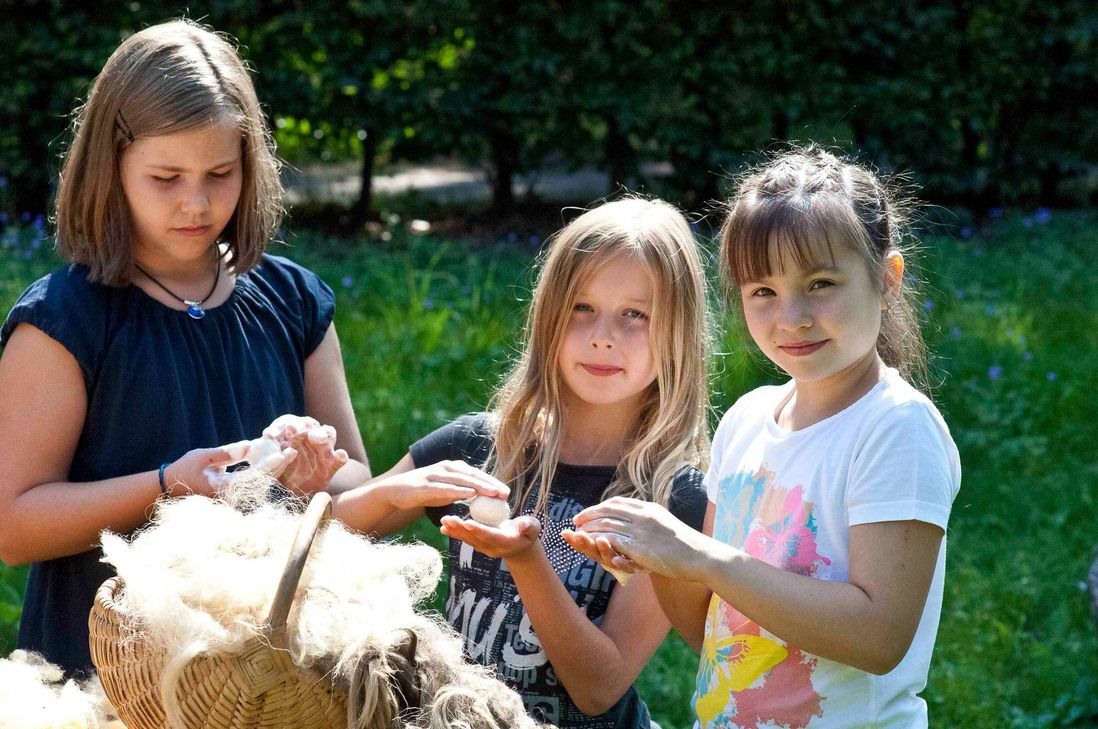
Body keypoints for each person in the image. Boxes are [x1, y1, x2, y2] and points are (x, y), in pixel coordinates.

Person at [0, 20, 370, 677]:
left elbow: (355, 489)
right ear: (110, 167)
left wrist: (314, 474)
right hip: (98, 684)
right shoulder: (62, 320)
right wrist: (168, 485)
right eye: (165, 177)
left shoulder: (295, 302)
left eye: (220, 174)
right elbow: (15, 523)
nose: (196, 203)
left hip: (266, 685)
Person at [566, 147, 961, 728]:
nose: (791, 317)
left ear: (887, 279)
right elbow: (712, 630)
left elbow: (879, 638)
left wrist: (702, 556)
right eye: (763, 292)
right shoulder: (748, 419)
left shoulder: (896, 428)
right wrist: (655, 563)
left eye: (821, 283)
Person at [332, 198, 711, 728]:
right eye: (581, 308)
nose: (603, 335)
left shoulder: (674, 500)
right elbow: (324, 540)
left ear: (677, 332)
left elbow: (599, 687)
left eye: (635, 315)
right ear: (548, 318)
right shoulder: (474, 448)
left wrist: (527, 560)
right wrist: (386, 494)